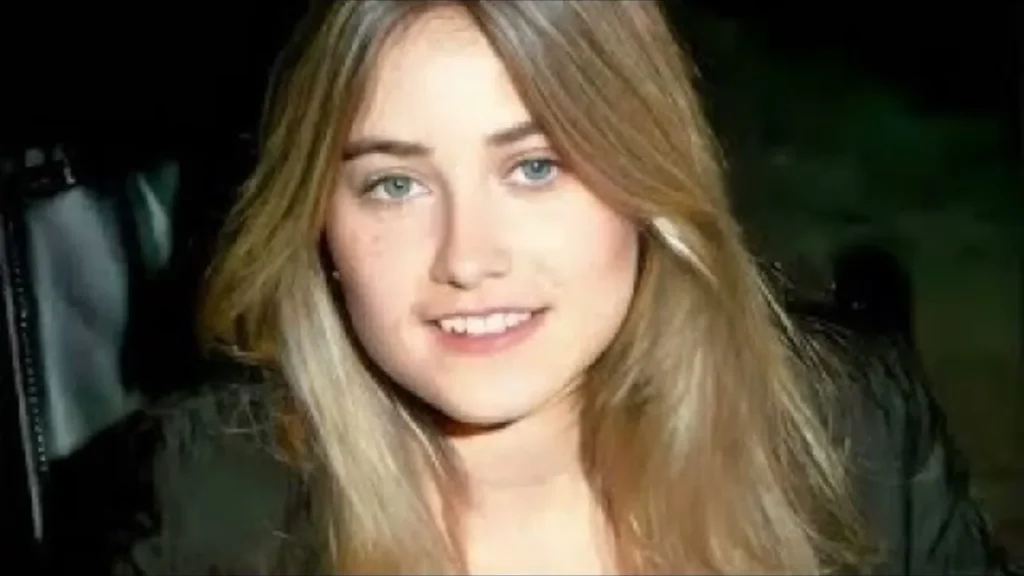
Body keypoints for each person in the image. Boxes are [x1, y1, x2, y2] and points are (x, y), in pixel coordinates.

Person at [121, 1, 1011, 574]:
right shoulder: (204, 510)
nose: (468, 259)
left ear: (647, 176)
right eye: (394, 184)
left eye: (536, 167)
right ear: (317, 221)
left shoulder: (855, 435)